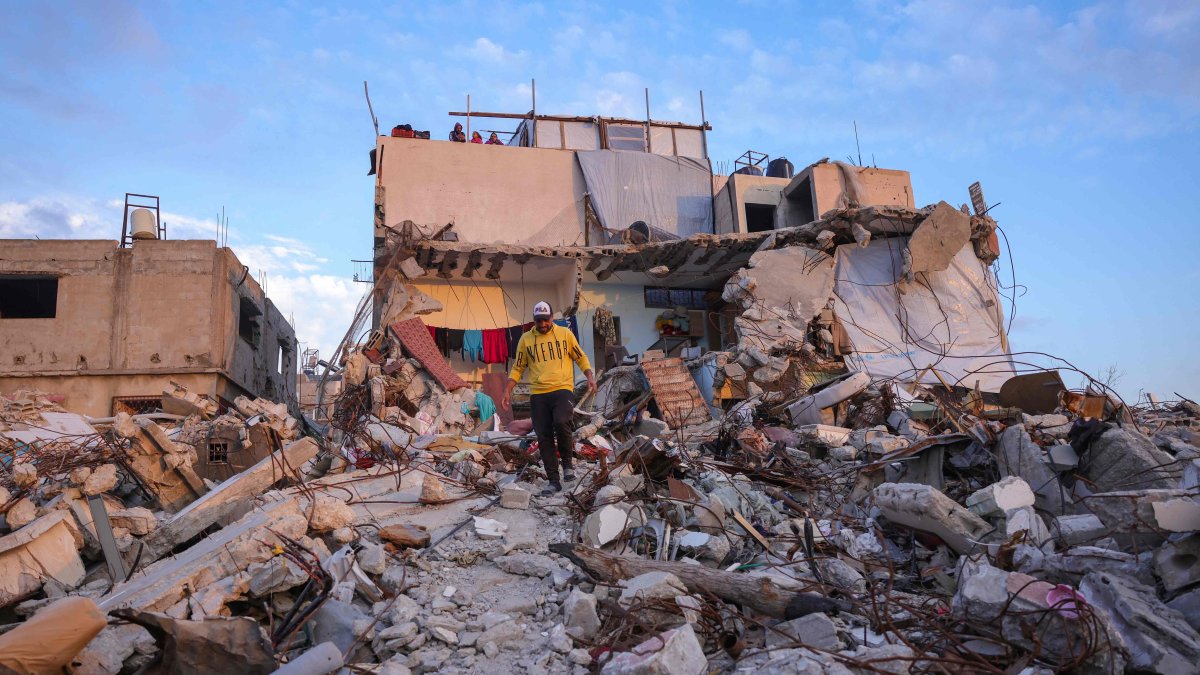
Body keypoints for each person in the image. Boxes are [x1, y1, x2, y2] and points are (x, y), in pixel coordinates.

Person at [503, 301, 596, 495]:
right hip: (538, 394)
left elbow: (580, 357)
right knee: (543, 435)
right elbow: (518, 368)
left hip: (562, 389)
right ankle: (553, 481)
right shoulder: (526, 340)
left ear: (552, 317)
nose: (543, 324)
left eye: (546, 320)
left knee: (562, 421)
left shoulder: (565, 334)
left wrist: (589, 376)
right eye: (539, 321)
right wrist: (507, 390)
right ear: (534, 320)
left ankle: (568, 465)